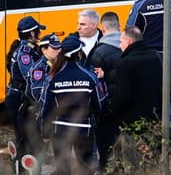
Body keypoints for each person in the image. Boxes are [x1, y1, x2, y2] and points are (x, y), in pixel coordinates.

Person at [40, 35, 106, 175]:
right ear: (79, 53)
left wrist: (45, 132)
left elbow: (46, 108)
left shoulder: (54, 78)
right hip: (84, 130)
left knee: (63, 170)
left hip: (60, 131)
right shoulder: (89, 77)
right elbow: (99, 106)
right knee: (85, 169)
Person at [4, 16, 45, 159]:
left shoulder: (25, 48)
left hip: (19, 97)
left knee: (27, 138)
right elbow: (30, 76)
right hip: (19, 98)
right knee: (25, 139)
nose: (39, 33)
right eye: (37, 31)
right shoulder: (25, 53)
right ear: (32, 33)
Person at [108, 26, 162, 130]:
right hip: (153, 117)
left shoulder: (125, 62)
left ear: (128, 41)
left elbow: (123, 95)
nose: (120, 46)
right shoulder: (155, 57)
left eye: (121, 42)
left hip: (132, 121)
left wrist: (111, 108)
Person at [88, 11, 123, 165]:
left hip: (106, 108)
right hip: (126, 106)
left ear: (102, 30)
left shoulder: (98, 52)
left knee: (106, 150)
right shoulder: (129, 47)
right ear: (120, 26)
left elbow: (93, 82)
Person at [27, 33, 62, 103]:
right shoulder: (39, 68)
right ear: (43, 49)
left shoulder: (59, 64)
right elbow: (38, 94)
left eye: (59, 47)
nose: (58, 50)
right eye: (55, 48)